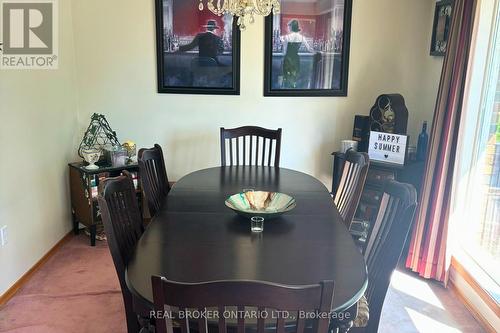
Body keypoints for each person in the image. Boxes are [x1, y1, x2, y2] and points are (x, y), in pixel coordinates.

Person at [281, 19, 314, 88]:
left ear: (291, 27)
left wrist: (283, 42)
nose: (288, 28)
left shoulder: (287, 37)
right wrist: (315, 52)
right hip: (296, 59)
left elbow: (284, 51)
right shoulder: (302, 37)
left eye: (289, 27)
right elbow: (309, 49)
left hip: (288, 59)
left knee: (287, 77)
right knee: (294, 77)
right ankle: (294, 88)